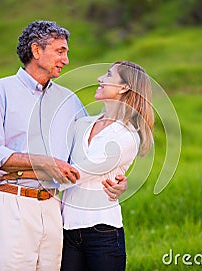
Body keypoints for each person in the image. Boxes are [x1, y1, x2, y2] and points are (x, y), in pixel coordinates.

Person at [0, 21, 127, 271]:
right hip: (11, 203)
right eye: (60, 51)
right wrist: (44, 163)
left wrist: (120, 180)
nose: (66, 60)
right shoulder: (0, 90)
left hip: (53, 207)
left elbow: (85, 152)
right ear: (36, 51)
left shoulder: (69, 100)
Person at [60, 61, 154, 271]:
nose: (100, 79)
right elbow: (60, 158)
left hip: (102, 233)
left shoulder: (128, 136)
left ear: (123, 87)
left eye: (108, 75)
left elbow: (78, 173)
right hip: (66, 229)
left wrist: (24, 177)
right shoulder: (82, 124)